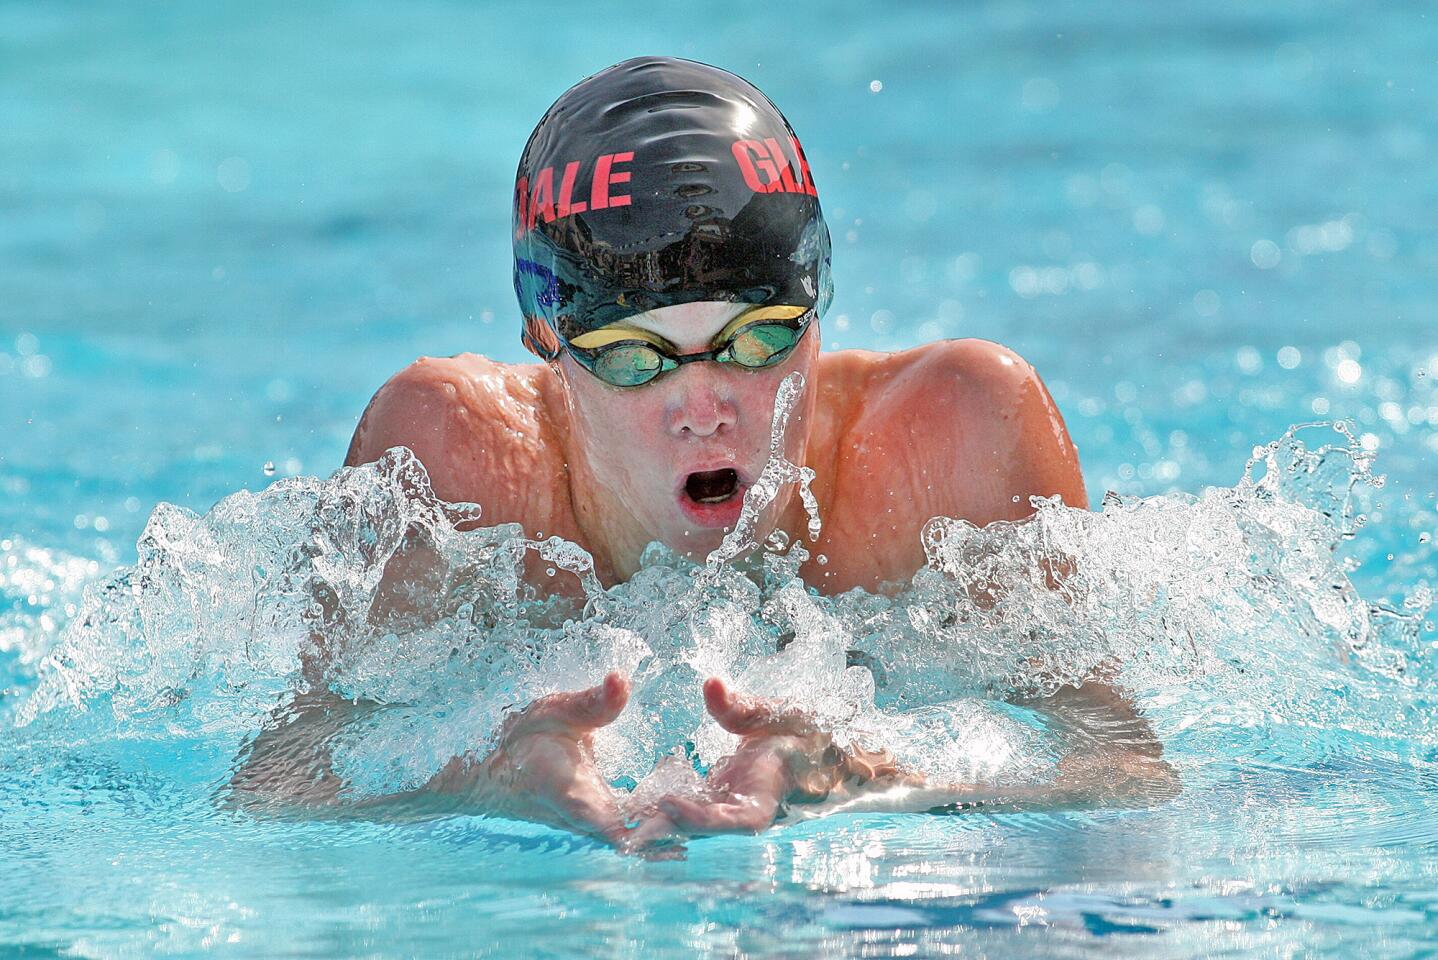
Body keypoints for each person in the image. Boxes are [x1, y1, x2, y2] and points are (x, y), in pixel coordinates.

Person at [235, 57, 1174, 855]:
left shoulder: (951, 440)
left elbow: (1128, 776)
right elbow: (273, 788)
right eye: (635, 355)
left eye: (758, 338)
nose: (703, 406)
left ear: (818, 309)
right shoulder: (456, 465)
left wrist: (871, 776)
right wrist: (475, 780)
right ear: (543, 338)